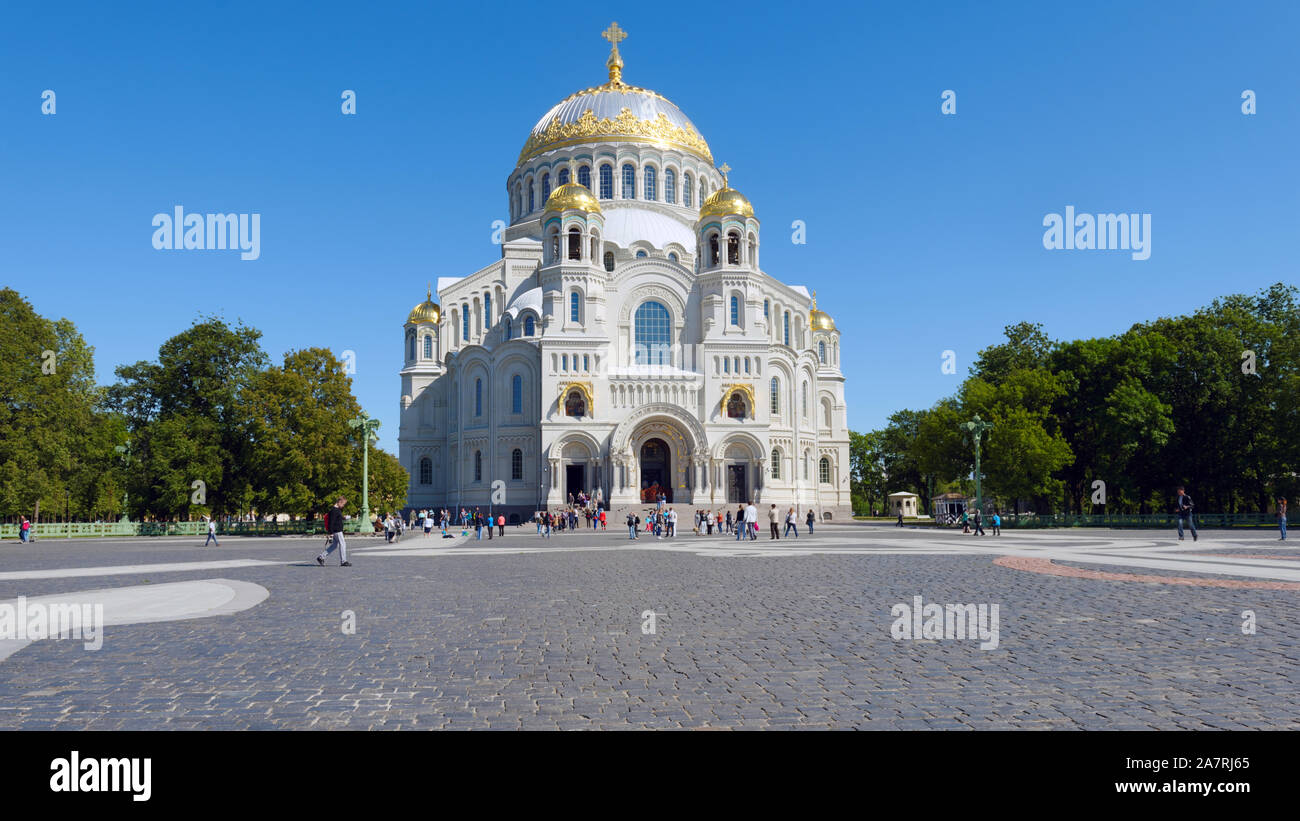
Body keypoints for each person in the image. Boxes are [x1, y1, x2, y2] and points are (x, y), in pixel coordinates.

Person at [316, 497, 351, 567]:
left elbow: (337, 519)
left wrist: (344, 517)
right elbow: (331, 522)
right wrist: (330, 533)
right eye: (343, 504)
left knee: (334, 546)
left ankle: (321, 557)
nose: (343, 506)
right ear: (339, 502)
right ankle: (343, 561)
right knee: (343, 544)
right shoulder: (334, 510)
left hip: (336, 530)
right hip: (337, 531)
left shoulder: (336, 510)